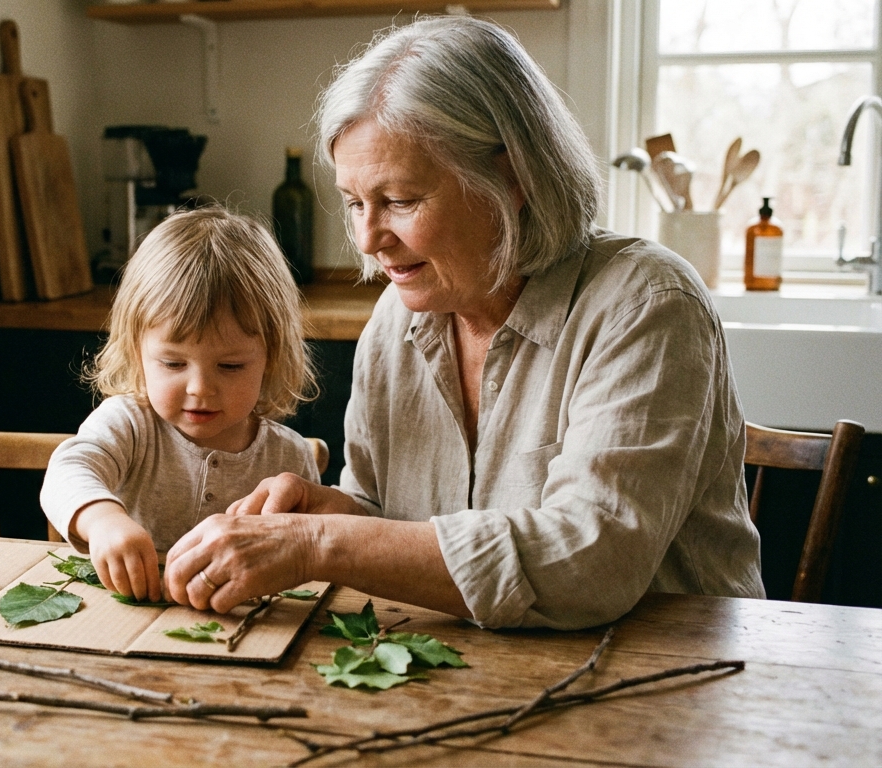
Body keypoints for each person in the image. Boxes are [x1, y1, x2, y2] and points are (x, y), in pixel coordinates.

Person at [163, 16, 766, 630]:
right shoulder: (396, 322)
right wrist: (329, 512)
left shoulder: (646, 303)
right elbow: (388, 518)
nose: (369, 240)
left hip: (678, 679)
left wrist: (321, 542)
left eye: (399, 201)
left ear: (513, 180)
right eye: (353, 204)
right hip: (482, 671)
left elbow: (591, 561)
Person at [40, 206, 320, 602]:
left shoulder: (289, 456)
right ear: (137, 353)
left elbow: (308, 564)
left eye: (230, 365)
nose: (200, 388)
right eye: (173, 363)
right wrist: (103, 521)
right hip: (128, 614)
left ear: (270, 359)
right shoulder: (129, 425)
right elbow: (67, 470)